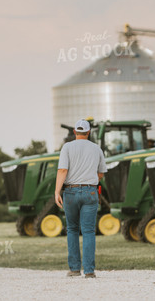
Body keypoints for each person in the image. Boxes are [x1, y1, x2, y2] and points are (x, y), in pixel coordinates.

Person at [54, 119, 107, 279]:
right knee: (89, 231)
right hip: (90, 192)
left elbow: (63, 170)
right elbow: (101, 173)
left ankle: (75, 269)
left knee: (72, 229)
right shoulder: (96, 148)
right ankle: (89, 271)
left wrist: (57, 191)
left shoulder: (67, 147)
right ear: (89, 132)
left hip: (70, 192)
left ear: (75, 132)